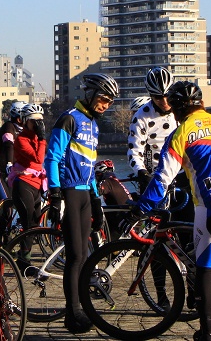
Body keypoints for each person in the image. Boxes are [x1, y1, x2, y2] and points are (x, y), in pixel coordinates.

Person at [134, 81, 211, 341]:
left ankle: (208, 332)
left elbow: (162, 179)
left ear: (178, 110)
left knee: (207, 269)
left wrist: (140, 208)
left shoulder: (182, 133)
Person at [44, 72, 119, 334]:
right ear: (89, 94)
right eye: (103, 99)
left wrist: (96, 200)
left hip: (86, 194)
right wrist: (55, 194)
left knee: (85, 255)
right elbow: (52, 158)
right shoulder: (69, 119)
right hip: (68, 193)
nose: (105, 105)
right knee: (75, 256)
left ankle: (81, 306)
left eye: (109, 102)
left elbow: (89, 165)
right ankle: (72, 312)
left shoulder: (93, 125)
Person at [8, 103, 47, 270]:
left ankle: (23, 255)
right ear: (25, 121)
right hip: (23, 184)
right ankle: (25, 261)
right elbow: (38, 159)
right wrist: (43, 138)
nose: (37, 125)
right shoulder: (21, 140)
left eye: (40, 121)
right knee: (28, 223)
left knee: (36, 223)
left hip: (37, 184)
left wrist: (41, 137)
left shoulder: (37, 139)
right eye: (33, 121)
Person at [127, 66, 178, 193]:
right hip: (155, 175)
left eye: (167, 95)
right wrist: (142, 172)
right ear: (151, 95)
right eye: (158, 97)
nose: (164, 101)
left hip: (181, 173)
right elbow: (134, 150)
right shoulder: (141, 116)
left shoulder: (181, 109)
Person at [0, 101, 26, 200]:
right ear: (19, 119)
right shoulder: (9, 126)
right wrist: (9, 163)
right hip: (0, 171)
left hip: (14, 173)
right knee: (6, 202)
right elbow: (8, 145)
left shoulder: (25, 131)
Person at [94, 159, 132, 239]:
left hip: (120, 218)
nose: (96, 177)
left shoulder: (106, 182)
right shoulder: (115, 181)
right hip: (127, 214)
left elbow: (95, 192)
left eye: (97, 174)